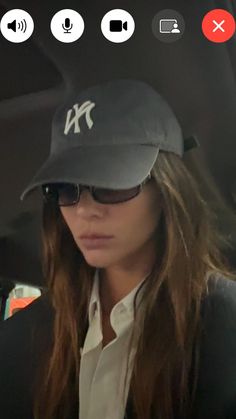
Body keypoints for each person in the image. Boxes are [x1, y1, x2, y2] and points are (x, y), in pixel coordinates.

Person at [0, 79, 236, 419]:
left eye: (111, 184)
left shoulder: (222, 329)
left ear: (166, 189)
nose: (84, 210)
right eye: (66, 190)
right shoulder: (26, 337)